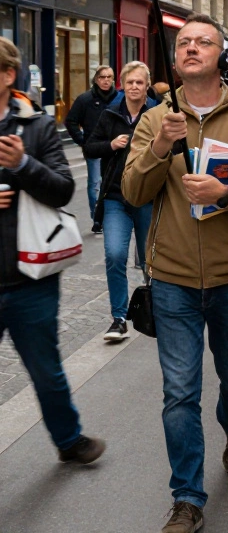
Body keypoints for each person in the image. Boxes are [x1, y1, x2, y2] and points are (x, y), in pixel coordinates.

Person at [122, 14, 228, 533]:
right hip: (171, 277)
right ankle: (188, 498)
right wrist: (157, 149)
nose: (192, 48)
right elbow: (132, 192)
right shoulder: (154, 120)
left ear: (222, 56)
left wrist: (227, 195)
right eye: (185, 43)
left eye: (204, 42)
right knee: (180, 391)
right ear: (175, 59)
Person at [0, 37, 106, 467]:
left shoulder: (38, 128)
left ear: (7, 76)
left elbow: (63, 188)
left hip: (30, 278)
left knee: (46, 370)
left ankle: (68, 440)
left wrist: (24, 165)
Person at [84, 61, 159, 342]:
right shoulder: (110, 114)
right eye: (129, 82)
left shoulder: (157, 114)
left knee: (150, 260)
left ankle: (155, 308)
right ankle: (118, 318)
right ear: (122, 85)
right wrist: (111, 145)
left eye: (139, 82)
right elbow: (90, 147)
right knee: (115, 255)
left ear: (147, 85)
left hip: (148, 197)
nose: (134, 87)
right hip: (116, 197)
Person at [65, 65, 120, 234]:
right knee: (95, 183)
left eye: (109, 77)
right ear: (96, 79)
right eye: (102, 77)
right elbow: (71, 121)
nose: (106, 81)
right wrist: (83, 141)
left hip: (115, 148)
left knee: (113, 182)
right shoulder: (85, 99)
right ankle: (97, 219)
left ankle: (114, 217)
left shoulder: (119, 99)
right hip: (94, 148)